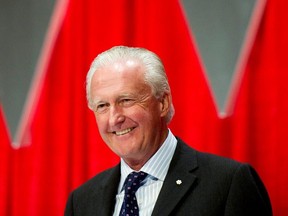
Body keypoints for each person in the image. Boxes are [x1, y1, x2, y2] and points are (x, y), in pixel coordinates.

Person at [65, 46, 272, 216]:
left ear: (163, 103)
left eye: (126, 100)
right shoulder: (82, 202)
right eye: (102, 106)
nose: (115, 118)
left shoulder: (229, 184)